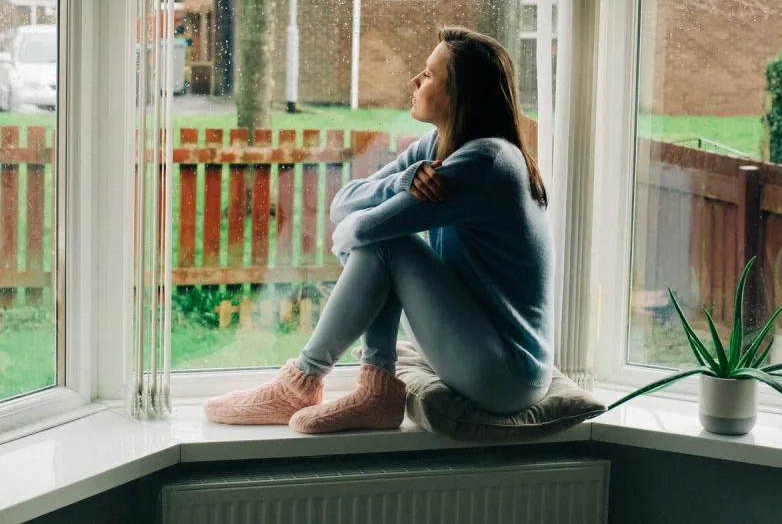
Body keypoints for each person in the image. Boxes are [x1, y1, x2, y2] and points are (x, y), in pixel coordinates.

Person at [204, 26, 554, 434]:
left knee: (387, 246)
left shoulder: (486, 161)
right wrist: (400, 182)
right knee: (384, 243)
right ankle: (370, 389)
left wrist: (349, 233)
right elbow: (343, 203)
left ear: (459, 94)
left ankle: (304, 382)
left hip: (508, 375)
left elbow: (363, 230)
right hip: (478, 343)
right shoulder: (437, 146)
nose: (414, 81)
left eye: (428, 74)